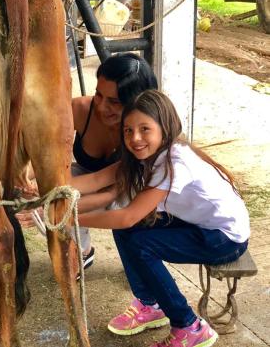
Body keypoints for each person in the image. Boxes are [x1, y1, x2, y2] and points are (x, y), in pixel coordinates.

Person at [76, 89, 250, 347]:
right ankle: (150, 304)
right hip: (200, 224)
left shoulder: (176, 162)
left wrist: (72, 220)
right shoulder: (144, 156)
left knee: (139, 241)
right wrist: (45, 190)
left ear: (164, 128)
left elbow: (126, 216)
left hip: (224, 238)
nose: (135, 138)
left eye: (145, 129)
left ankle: (189, 326)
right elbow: (95, 180)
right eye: (128, 130)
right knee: (129, 232)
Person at [16, 52, 158, 273]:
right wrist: (24, 179)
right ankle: (82, 251)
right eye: (98, 95)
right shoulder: (81, 109)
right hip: (92, 177)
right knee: (59, 189)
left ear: (137, 103)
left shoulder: (142, 134)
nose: (101, 107)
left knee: (124, 211)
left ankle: (143, 258)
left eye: (114, 102)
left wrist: (48, 201)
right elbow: (45, 155)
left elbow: (112, 191)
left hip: (131, 185)